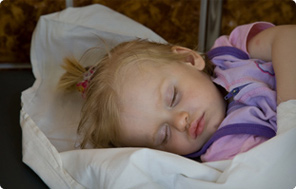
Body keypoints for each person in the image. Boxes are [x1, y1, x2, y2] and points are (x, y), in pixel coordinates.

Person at [58, 22, 296, 162]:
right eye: (163, 136)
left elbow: (288, 37)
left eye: (173, 97)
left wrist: (289, 112)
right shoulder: (225, 155)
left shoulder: (231, 52)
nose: (180, 121)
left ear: (189, 59)